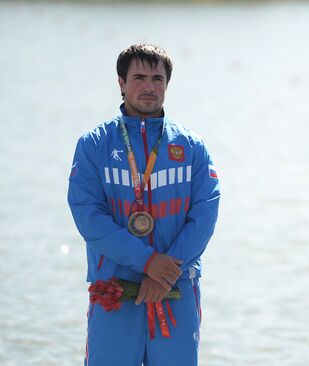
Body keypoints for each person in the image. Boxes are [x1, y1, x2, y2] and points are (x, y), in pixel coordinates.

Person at [68, 44, 220, 366]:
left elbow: (205, 214)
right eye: (139, 77)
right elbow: (89, 217)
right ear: (121, 83)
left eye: (157, 78)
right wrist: (147, 261)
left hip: (174, 289)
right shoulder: (94, 145)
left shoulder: (191, 146)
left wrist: (164, 273)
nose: (149, 87)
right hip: (115, 292)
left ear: (168, 84)